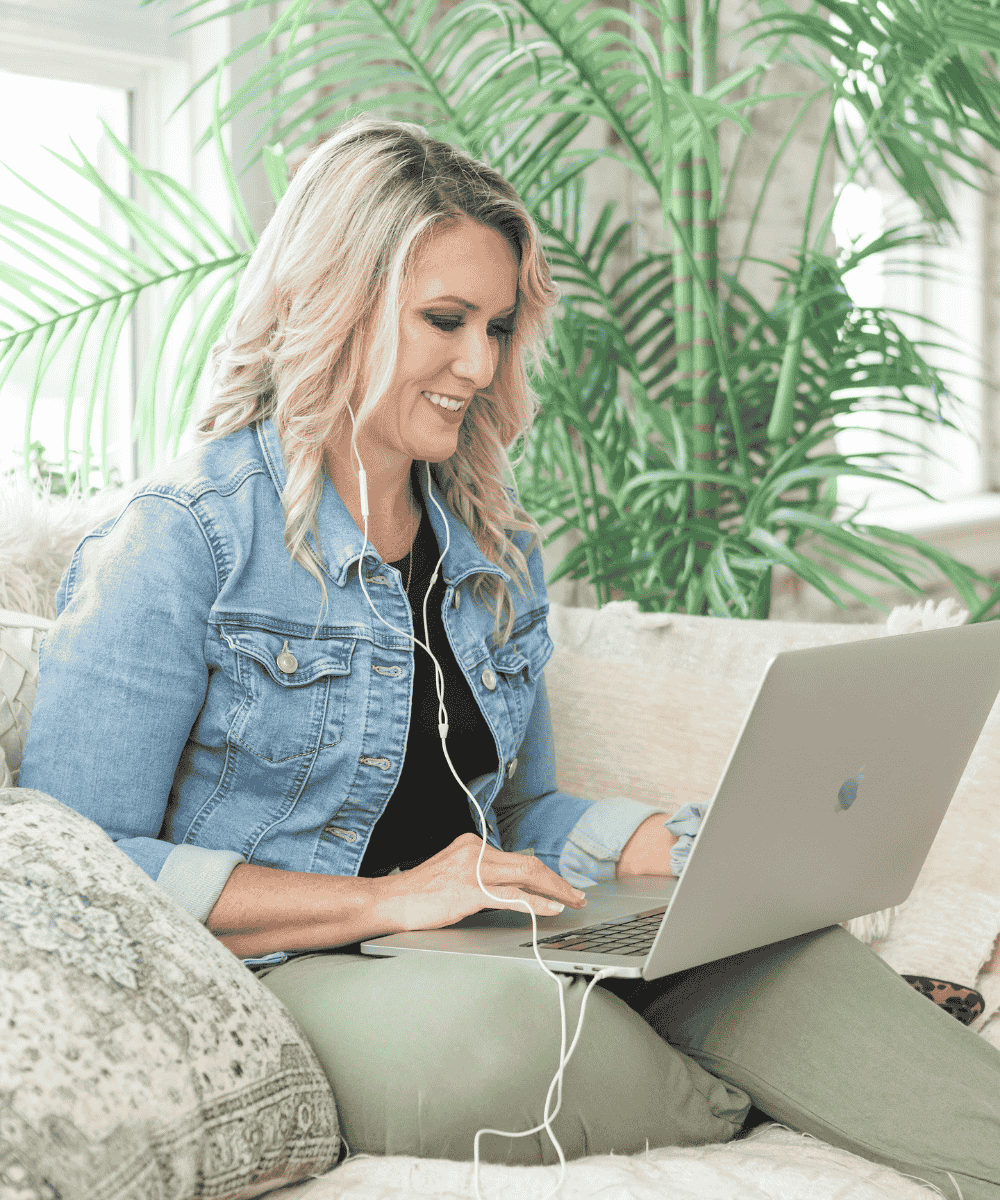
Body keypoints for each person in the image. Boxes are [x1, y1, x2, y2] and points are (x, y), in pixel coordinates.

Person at [19, 116, 1000, 1198]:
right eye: (444, 321)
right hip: (292, 970)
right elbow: (84, 869)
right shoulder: (181, 539)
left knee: (774, 949)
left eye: (495, 326)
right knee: (502, 1039)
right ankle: (756, 1083)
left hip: (484, 932)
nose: (477, 366)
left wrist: (662, 846)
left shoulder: (492, 543)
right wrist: (388, 902)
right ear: (331, 301)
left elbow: (515, 819)